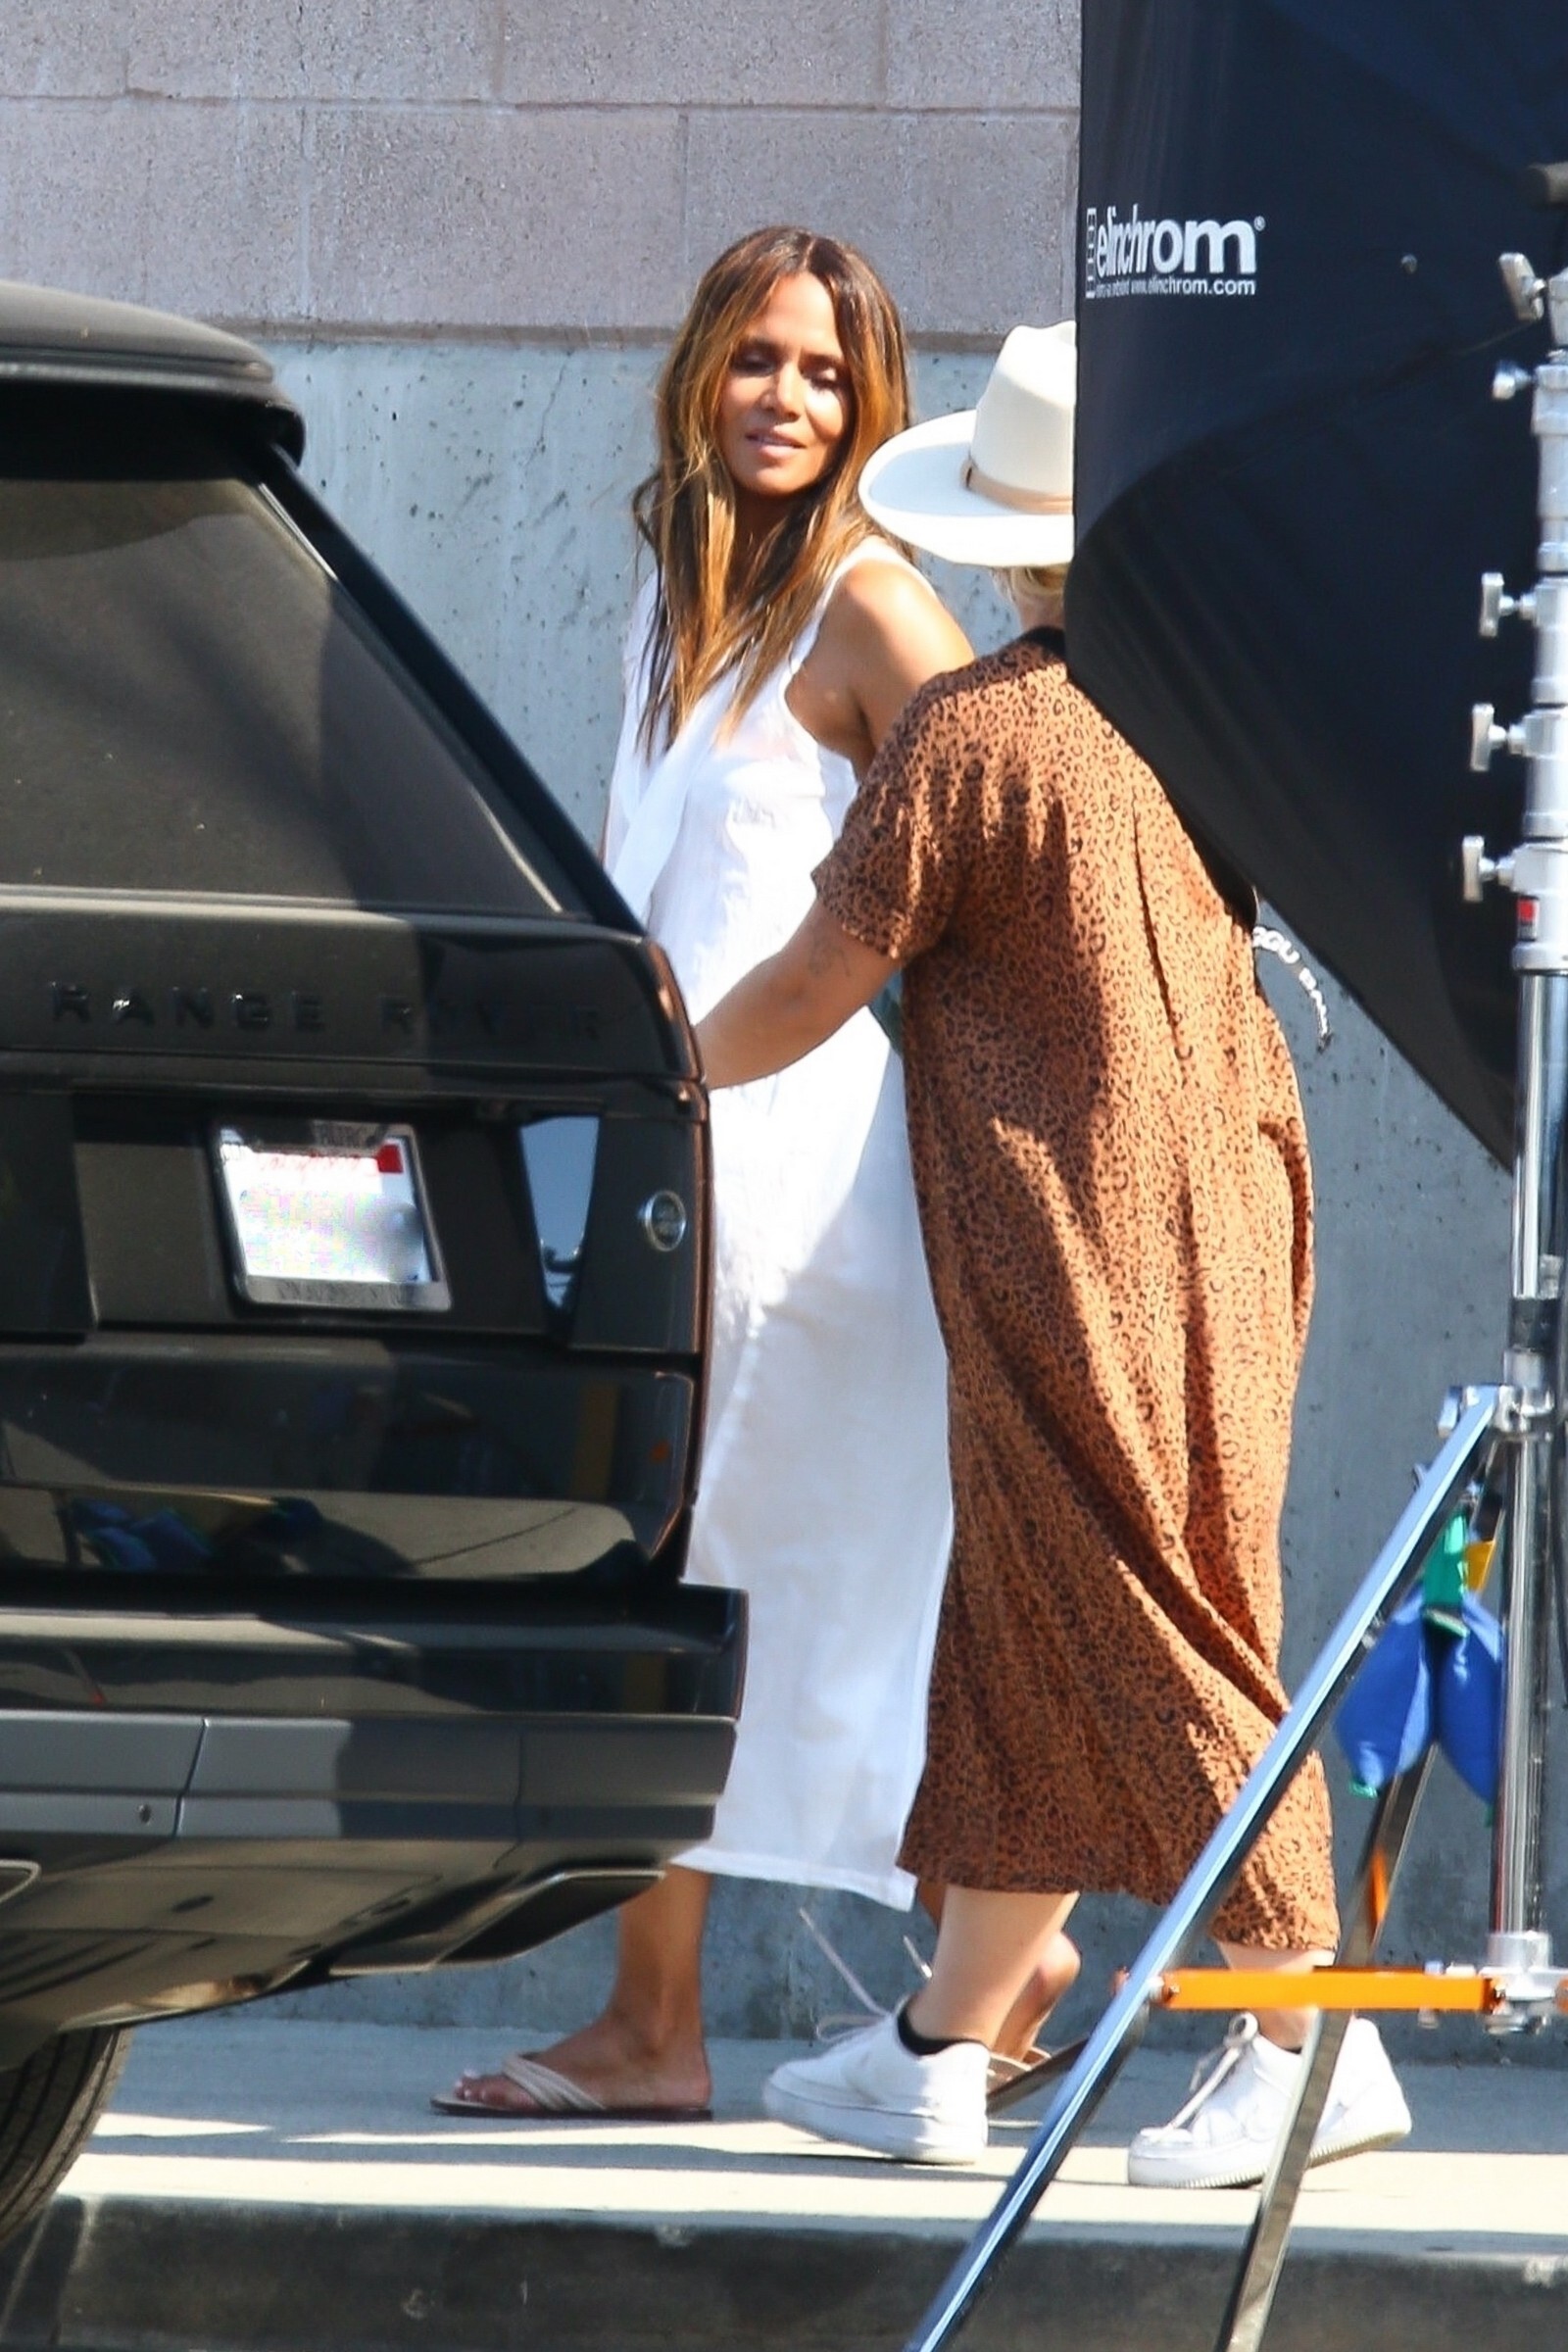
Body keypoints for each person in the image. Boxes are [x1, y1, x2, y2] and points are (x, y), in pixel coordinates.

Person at [691, 321, 1413, 2180]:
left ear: (1006, 541)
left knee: (1150, 1617)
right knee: (1041, 1616)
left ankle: (1310, 2036)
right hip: (1230, 1210)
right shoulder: (1207, 709)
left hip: (1063, 1236)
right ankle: (942, 2044)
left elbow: (818, 974)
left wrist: (661, 1063)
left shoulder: (978, 727)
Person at [438, 231, 1076, 2123]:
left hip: (799, 1190)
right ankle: (890, 1980)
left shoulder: (874, 609)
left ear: (871, 408)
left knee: (764, 1580)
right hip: (673, 1160)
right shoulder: (679, 600)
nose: (785, 398)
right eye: (757, 359)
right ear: (699, 367)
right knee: (714, 1575)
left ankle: (745, 2012)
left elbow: (1011, 840)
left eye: (824, 373)